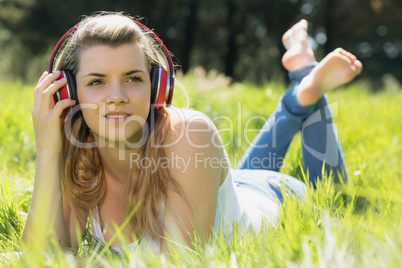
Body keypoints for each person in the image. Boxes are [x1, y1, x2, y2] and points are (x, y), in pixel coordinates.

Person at [21, 13, 362, 256]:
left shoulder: (188, 133)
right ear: (69, 94)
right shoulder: (80, 157)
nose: (117, 95)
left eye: (133, 78)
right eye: (96, 81)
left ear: (158, 87)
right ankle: (302, 85)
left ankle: (309, 82)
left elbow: (179, 262)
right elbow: (38, 255)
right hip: (227, 187)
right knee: (239, 178)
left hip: (273, 200)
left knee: (334, 193)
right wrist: (49, 151)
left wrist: (66, 263)